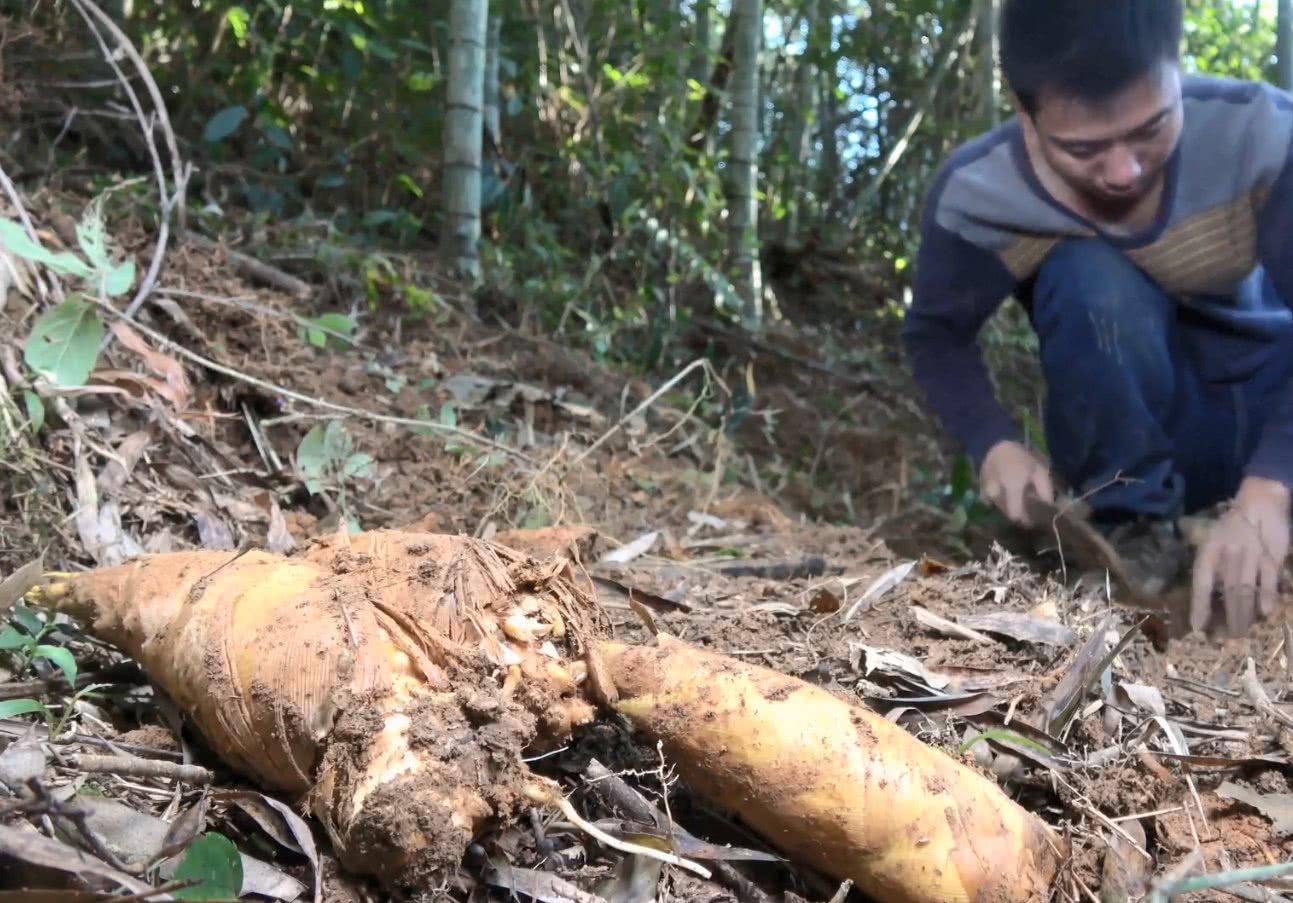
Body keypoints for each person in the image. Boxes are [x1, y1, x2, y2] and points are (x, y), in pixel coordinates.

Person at [902, 0, 1293, 639]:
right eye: (1084, 148)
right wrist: (993, 442)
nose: (1124, 171)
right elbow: (936, 334)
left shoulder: (1263, 137)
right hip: (1142, 436)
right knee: (1087, 276)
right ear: (1025, 115)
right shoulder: (979, 196)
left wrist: (1272, 487)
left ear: (1177, 68)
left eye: (1151, 129)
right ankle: (1135, 534)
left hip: (1272, 404)